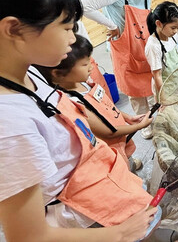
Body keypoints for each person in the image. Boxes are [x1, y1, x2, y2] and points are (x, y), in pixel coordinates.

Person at [0, 0, 158, 241]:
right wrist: (119, 234)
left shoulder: (29, 74)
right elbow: (29, 236)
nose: (74, 39)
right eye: (65, 27)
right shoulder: (9, 125)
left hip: (100, 186)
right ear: (14, 29)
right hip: (84, 219)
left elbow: (73, 119)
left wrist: (120, 120)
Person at [34, 35, 152, 168]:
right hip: (110, 143)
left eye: (90, 61)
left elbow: (107, 105)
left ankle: (130, 162)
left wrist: (128, 117)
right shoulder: (73, 103)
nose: (91, 67)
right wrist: (138, 127)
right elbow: (108, 132)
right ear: (58, 73)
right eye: (85, 64)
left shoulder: (86, 83)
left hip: (121, 134)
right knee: (119, 165)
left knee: (126, 154)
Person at [82, 0, 169, 115]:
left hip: (142, 43)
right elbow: (84, 6)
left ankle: (153, 119)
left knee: (149, 84)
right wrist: (111, 25)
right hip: (125, 46)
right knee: (134, 90)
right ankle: (143, 124)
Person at [143, 1, 178, 139]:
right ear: (159, 24)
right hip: (164, 87)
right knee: (170, 117)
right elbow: (157, 75)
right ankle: (176, 136)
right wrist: (163, 99)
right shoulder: (153, 46)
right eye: (173, 27)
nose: (176, 31)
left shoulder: (172, 37)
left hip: (177, 81)